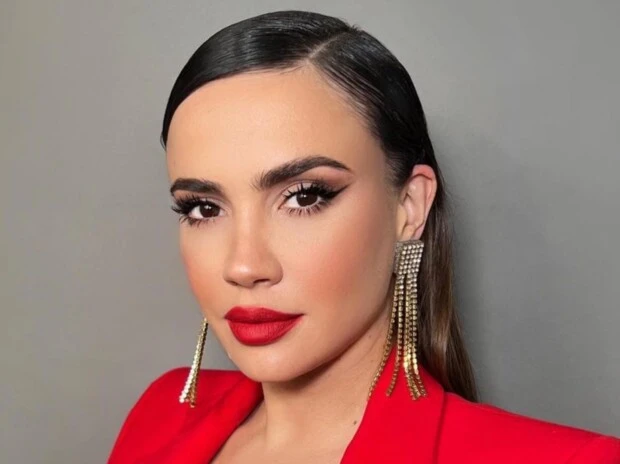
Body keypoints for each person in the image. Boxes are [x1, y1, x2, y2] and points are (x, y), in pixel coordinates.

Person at [107, 10, 620, 464]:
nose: (243, 266)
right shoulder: (162, 414)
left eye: (304, 197)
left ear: (409, 207)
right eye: (203, 208)